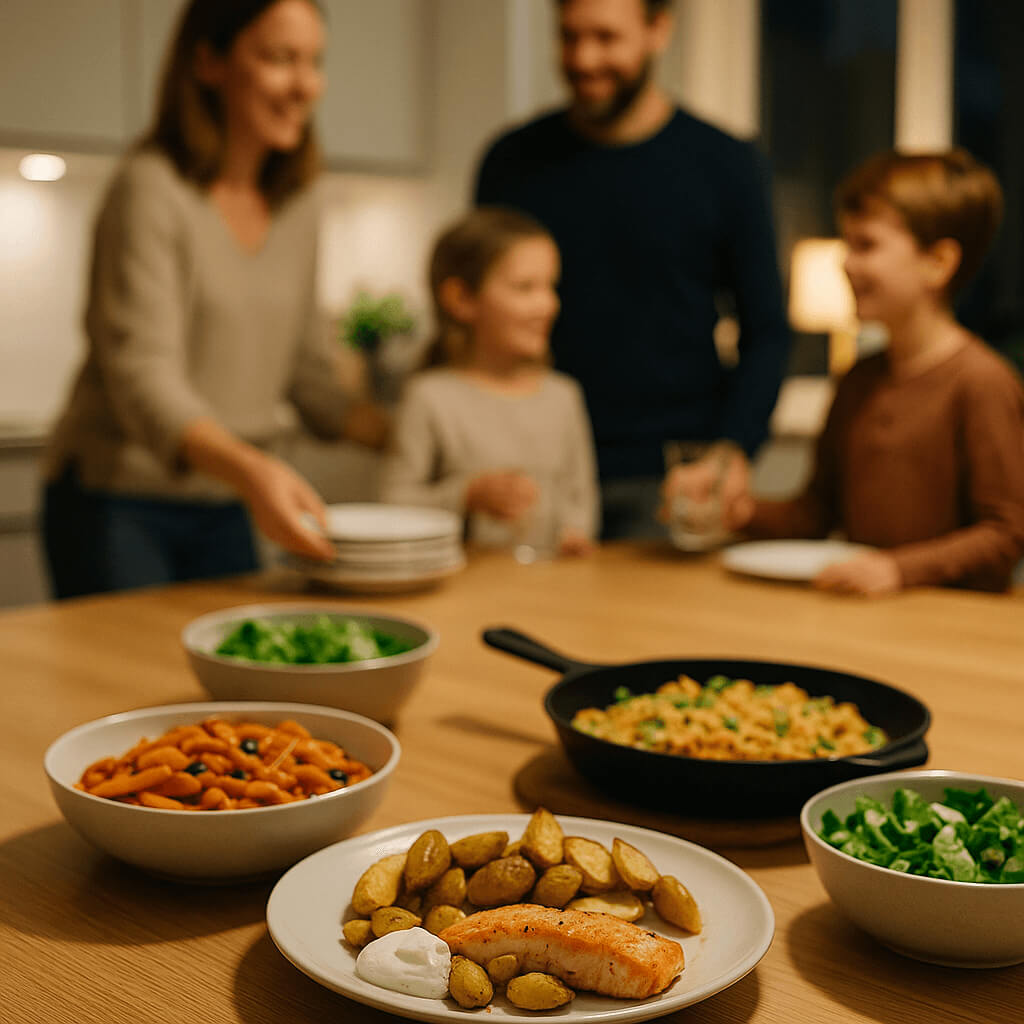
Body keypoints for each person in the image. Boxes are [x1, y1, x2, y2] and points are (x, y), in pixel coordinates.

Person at [41, 0, 386, 599]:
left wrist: (421, 432)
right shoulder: (151, 188)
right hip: (119, 502)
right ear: (209, 62)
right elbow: (143, 378)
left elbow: (308, 376)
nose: (304, 85)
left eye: (314, 61)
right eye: (280, 58)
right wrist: (254, 471)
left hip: (226, 498)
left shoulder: (298, 203)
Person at [474, 0, 790, 540]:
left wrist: (732, 450)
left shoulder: (725, 164)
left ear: (658, 30)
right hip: (528, 472)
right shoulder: (511, 161)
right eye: (569, 37)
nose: (584, 58)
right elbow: (475, 323)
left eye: (606, 37)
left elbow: (767, 331)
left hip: (667, 482)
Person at [723, 148, 1024, 595]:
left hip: (951, 630)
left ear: (937, 262)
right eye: (847, 244)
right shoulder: (858, 380)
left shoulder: (981, 382)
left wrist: (899, 569)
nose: (845, 262)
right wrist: (743, 511)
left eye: (866, 245)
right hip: (870, 618)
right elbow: (816, 513)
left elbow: (1006, 535)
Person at [378, 207, 599, 555]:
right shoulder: (430, 397)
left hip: (551, 590)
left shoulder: (564, 396)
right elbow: (393, 505)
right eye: (524, 288)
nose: (548, 304)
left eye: (550, 286)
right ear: (462, 299)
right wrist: (465, 495)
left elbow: (580, 500)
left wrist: (575, 534)